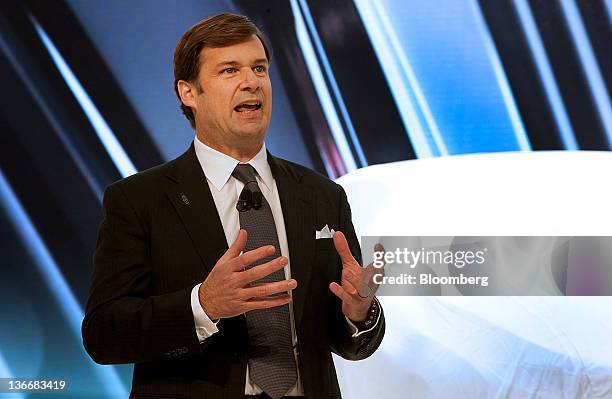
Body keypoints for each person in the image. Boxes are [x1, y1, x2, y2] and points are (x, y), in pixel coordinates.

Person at [82, 12, 385, 399]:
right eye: (229, 70)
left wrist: (358, 314)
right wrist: (202, 304)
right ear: (188, 92)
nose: (251, 82)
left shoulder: (323, 195)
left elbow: (349, 342)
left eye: (259, 68)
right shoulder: (140, 200)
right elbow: (103, 334)